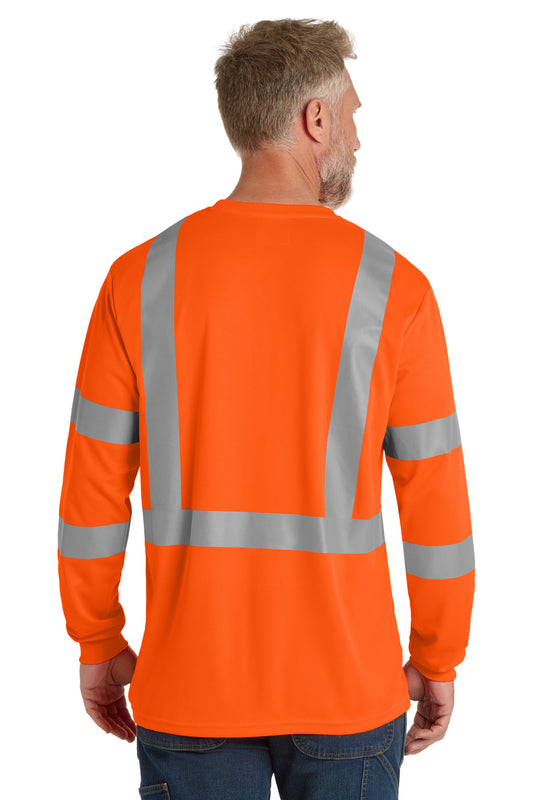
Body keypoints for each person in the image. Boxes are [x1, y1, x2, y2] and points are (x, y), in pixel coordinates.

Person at [57, 17, 475, 800]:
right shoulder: (395, 289)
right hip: (348, 694)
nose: (357, 136)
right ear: (314, 119)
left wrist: (97, 639)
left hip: (190, 688)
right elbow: (436, 506)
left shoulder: (137, 280)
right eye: (351, 114)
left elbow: (91, 494)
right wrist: (436, 656)